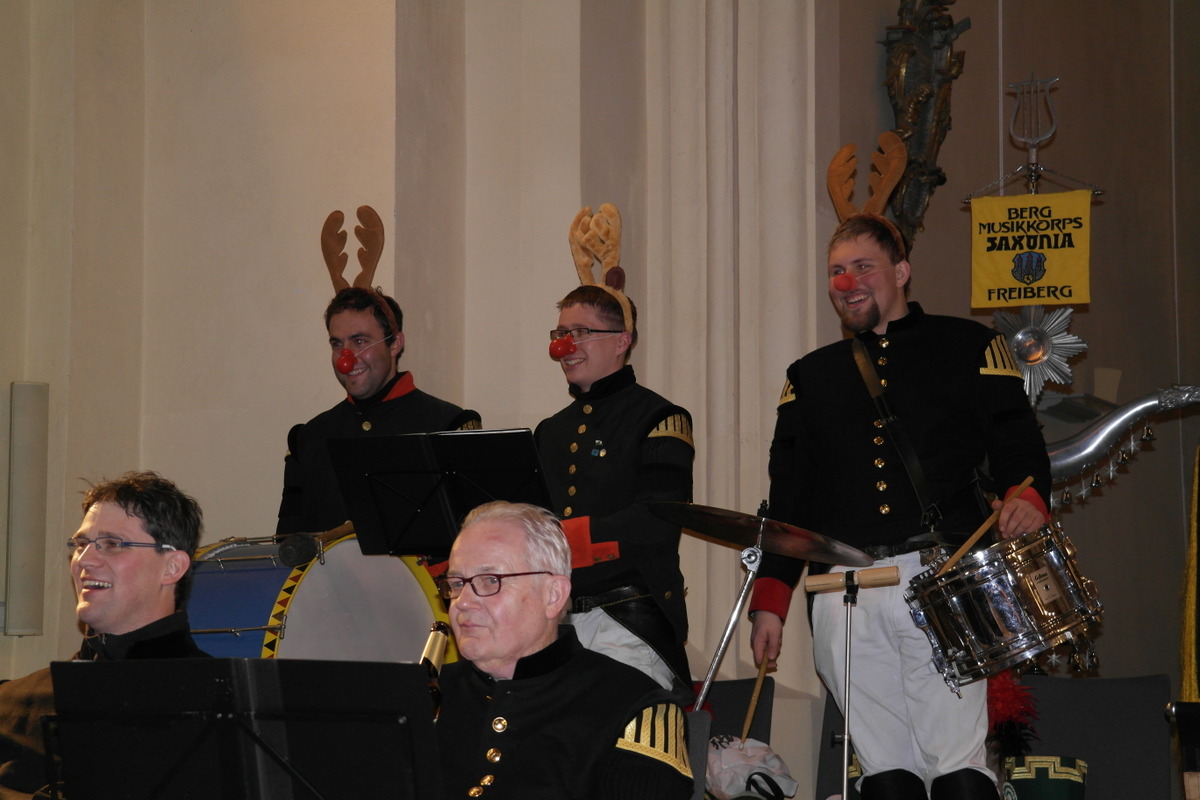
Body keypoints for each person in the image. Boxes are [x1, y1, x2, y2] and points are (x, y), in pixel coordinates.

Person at [748, 214, 1050, 800]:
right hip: (842, 588)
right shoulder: (808, 377)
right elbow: (790, 497)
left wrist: (1027, 494)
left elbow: (1016, 438)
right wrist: (772, 599)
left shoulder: (970, 346)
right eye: (836, 271)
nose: (847, 282)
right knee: (884, 772)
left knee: (958, 766)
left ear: (902, 271)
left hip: (942, 575)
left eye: (863, 267)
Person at [534, 203, 695, 697]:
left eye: (580, 333)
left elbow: (657, 520)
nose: (565, 346)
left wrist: (560, 541)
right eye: (560, 334)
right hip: (555, 623)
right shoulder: (549, 431)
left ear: (622, 341)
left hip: (630, 620)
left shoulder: (661, 417)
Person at [435, 500, 693, 800]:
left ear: (553, 595)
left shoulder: (634, 707)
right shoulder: (426, 695)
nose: (463, 602)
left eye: (491, 580)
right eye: (456, 583)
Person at [0, 471, 209, 798]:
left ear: (172, 567)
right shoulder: (14, 702)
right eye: (81, 544)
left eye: (112, 544)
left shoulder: (215, 706)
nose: (84, 560)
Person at [276, 284, 481, 536]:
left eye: (360, 341)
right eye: (337, 344)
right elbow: (288, 542)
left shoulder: (449, 425)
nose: (346, 358)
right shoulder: (308, 438)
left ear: (395, 344)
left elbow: (474, 538)